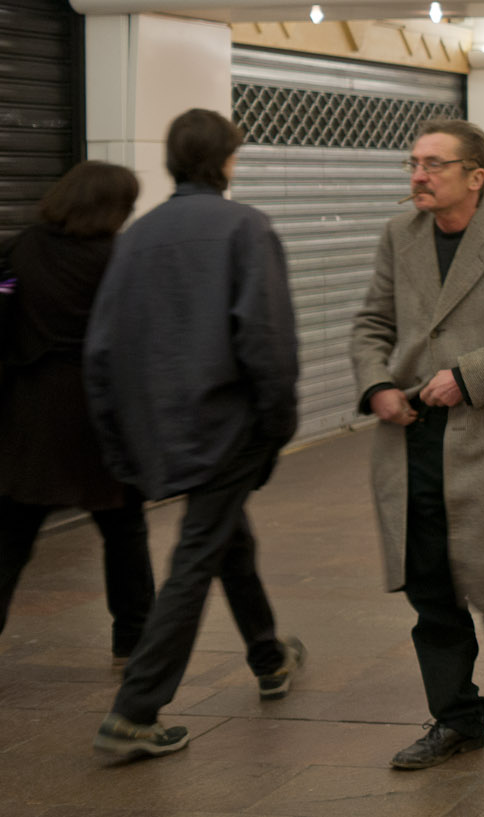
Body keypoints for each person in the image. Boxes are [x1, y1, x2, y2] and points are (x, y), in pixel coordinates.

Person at [86, 109, 305, 758]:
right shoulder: (246, 227)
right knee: (194, 558)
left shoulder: (135, 237)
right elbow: (265, 340)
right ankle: (135, 709)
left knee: (223, 537)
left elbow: (100, 352)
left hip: (163, 427)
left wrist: (119, 440)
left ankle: (269, 656)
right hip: (228, 426)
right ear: (227, 160)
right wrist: (277, 424)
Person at [352, 119, 484, 770]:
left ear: (475, 175)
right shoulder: (400, 235)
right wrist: (379, 384)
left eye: (434, 165)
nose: (418, 175)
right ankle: (455, 718)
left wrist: (467, 377)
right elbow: (372, 324)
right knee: (430, 585)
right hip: (412, 434)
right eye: (414, 163)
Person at [0, 161, 153, 675]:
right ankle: (133, 638)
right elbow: (137, 342)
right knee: (124, 531)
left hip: (32, 413)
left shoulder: (24, 248)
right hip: (98, 415)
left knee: (12, 538)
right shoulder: (120, 257)